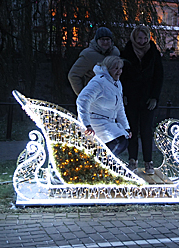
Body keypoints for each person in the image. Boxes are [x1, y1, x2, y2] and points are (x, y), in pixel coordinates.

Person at [121, 25, 164, 175]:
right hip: (131, 97)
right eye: (139, 37)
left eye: (145, 38)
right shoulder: (126, 52)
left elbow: (159, 76)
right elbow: (122, 76)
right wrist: (124, 94)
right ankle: (132, 160)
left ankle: (148, 162)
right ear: (134, 37)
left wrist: (154, 97)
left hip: (147, 98)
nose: (142, 41)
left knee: (146, 130)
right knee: (132, 130)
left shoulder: (153, 52)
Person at [76, 56, 131, 156]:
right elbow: (82, 100)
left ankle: (100, 164)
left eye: (120, 68)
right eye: (116, 68)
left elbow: (119, 107)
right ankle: (101, 164)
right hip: (96, 121)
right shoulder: (98, 82)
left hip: (108, 121)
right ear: (108, 69)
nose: (119, 71)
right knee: (119, 142)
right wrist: (86, 124)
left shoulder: (117, 84)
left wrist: (126, 127)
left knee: (122, 141)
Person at [68, 27, 120, 96]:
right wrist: (83, 95)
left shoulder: (115, 53)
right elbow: (73, 75)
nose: (105, 42)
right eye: (102, 39)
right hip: (95, 95)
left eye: (107, 39)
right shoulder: (88, 55)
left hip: (112, 96)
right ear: (97, 40)